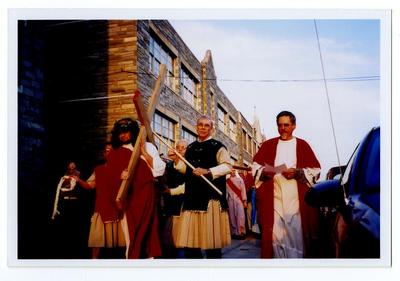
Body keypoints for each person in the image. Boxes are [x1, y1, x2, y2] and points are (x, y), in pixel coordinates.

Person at [74, 118, 166, 259]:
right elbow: (109, 178)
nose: (122, 136)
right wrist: (120, 176)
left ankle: (149, 260)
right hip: (129, 195)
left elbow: (159, 170)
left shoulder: (147, 146)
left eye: (126, 132)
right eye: (119, 133)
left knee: (149, 226)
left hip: (146, 191)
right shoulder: (116, 152)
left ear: (133, 131)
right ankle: (132, 258)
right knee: (131, 228)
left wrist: (143, 153)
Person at [252, 111, 321, 258]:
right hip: (274, 199)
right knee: (275, 235)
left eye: (286, 125)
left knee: (295, 234)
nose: (283, 128)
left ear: (294, 126)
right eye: (280, 125)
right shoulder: (268, 144)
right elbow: (255, 166)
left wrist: (297, 172)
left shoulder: (302, 144)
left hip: (295, 201)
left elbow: (315, 170)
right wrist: (268, 171)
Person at [173, 115, 232, 259]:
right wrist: (176, 160)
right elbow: (184, 169)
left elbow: (227, 167)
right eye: (200, 125)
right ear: (196, 127)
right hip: (192, 199)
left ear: (211, 129)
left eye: (207, 125)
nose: (203, 128)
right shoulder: (191, 147)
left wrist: (208, 171)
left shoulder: (218, 146)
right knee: (191, 245)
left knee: (211, 245)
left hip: (210, 200)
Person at [160, 139, 188, 258]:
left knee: (181, 234)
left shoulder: (189, 163)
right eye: (178, 147)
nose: (180, 149)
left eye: (183, 147)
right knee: (169, 234)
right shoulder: (169, 164)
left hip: (183, 202)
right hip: (169, 202)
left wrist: (171, 191)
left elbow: (188, 185)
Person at [226, 169, 247, 239]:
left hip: (239, 200)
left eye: (234, 170)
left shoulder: (240, 180)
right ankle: (234, 232)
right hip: (230, 201)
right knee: (232, 217)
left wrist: (244, 201)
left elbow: (243, 190)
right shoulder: (227, 181)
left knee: (241, 216)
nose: (233, 172)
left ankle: (241, 232)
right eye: (231, 171)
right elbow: (226, 192)